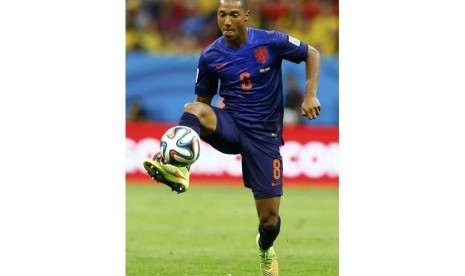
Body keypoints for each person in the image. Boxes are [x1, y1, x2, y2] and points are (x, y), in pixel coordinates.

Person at [143, 0, 321, 275]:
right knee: (193, 109)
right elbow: (202, 104)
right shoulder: (211, 56)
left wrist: (309, 94)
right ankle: (177, 168)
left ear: (246, 16)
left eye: (234, 15)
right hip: (232, 126)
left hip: (264, 138)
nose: (227, 21)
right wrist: (174, 149)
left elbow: (312, 53)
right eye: (222, 15)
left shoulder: (270, 42)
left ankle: (265, 248)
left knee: (270, 220)